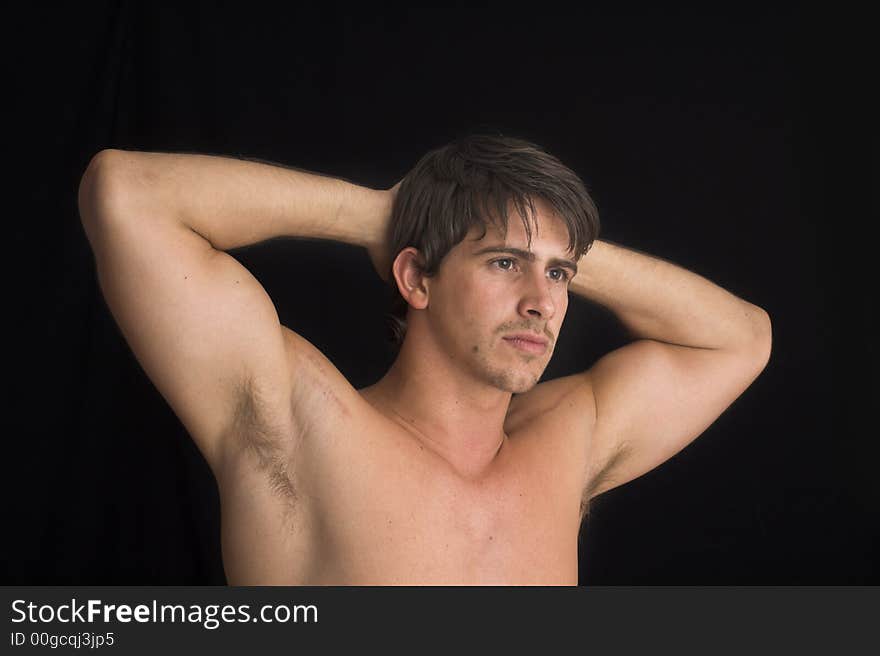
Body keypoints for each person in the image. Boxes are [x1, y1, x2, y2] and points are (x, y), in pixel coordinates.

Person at [78, 134, 772, 585]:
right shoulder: (298, 421)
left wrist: (550, 245)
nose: (542, 303)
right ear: (415, 279)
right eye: (504, 263)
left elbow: (741, 336)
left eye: (560, 277)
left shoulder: (569, 442)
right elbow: (127, 195)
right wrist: (389, 215)